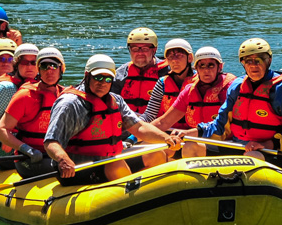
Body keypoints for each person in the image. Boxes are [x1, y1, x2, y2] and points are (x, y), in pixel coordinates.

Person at [44, 54, 181, 184]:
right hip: (77, 167)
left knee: (155, 154)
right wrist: (63, 159)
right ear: (87, 76)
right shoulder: (70, 104)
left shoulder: (116, 100)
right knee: (115, 165)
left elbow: (139, 127)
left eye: (108, 79)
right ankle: (132, 198)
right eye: (98, 77)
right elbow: (51, 141)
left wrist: (165, 138)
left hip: (108, 158)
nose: (103, 83)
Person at [176, 38, 282, 167]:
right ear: (243, 63)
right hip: (238, 146)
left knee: (252, 157)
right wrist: (188, 133)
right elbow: (219, 124)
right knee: (190, 146)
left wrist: (266, 145)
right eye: (248, 61)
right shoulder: (238, 86)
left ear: (269, 61)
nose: (253, 65)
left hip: (272, 152)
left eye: (259, 60)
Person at [0, 47, 66, 178]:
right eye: (44, 66)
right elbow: (0, 130)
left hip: (57, 156)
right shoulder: (24, 96)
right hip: (29, 159)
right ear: (38, 70)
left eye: (54, 66)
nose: (49, 70)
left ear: (62, 69)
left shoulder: (66, 96)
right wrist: (25, 148)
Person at [152, 47, 237, 157]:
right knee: (159, 146)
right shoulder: (189, 91)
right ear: (196, 68)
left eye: (211, 65)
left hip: (227, 144)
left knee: (190, 146)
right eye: (202, 66)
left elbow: (219, 126)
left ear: (219, 67)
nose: (206, 70)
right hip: (197, 140)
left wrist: (188, 133)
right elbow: (163, 122)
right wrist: (136, 136)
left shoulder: (232, 89)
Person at [0, 43, 41, 164]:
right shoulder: (6, 87)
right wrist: (8, 138)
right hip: (7, 156)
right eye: (24, 62)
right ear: (16, 64)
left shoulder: (42, 86)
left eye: (33, 63)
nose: (30, 67)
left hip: (35, 150)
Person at [112, 27, 169, 115]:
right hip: (128, 123)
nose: (140, 53)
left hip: (160, 125)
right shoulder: (121, 74)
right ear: (129, 50)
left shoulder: (168, 73)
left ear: (154, 50)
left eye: (145, 49)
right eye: (135, 48)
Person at [141, 38, 196, 128]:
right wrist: (135, 127)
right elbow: (149, 115)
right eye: (170, 57)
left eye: (179, 55)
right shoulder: (162, 83)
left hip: (194, 134)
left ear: (190, 58)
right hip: (167, 131)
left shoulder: (200, 82)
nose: (174, 60)